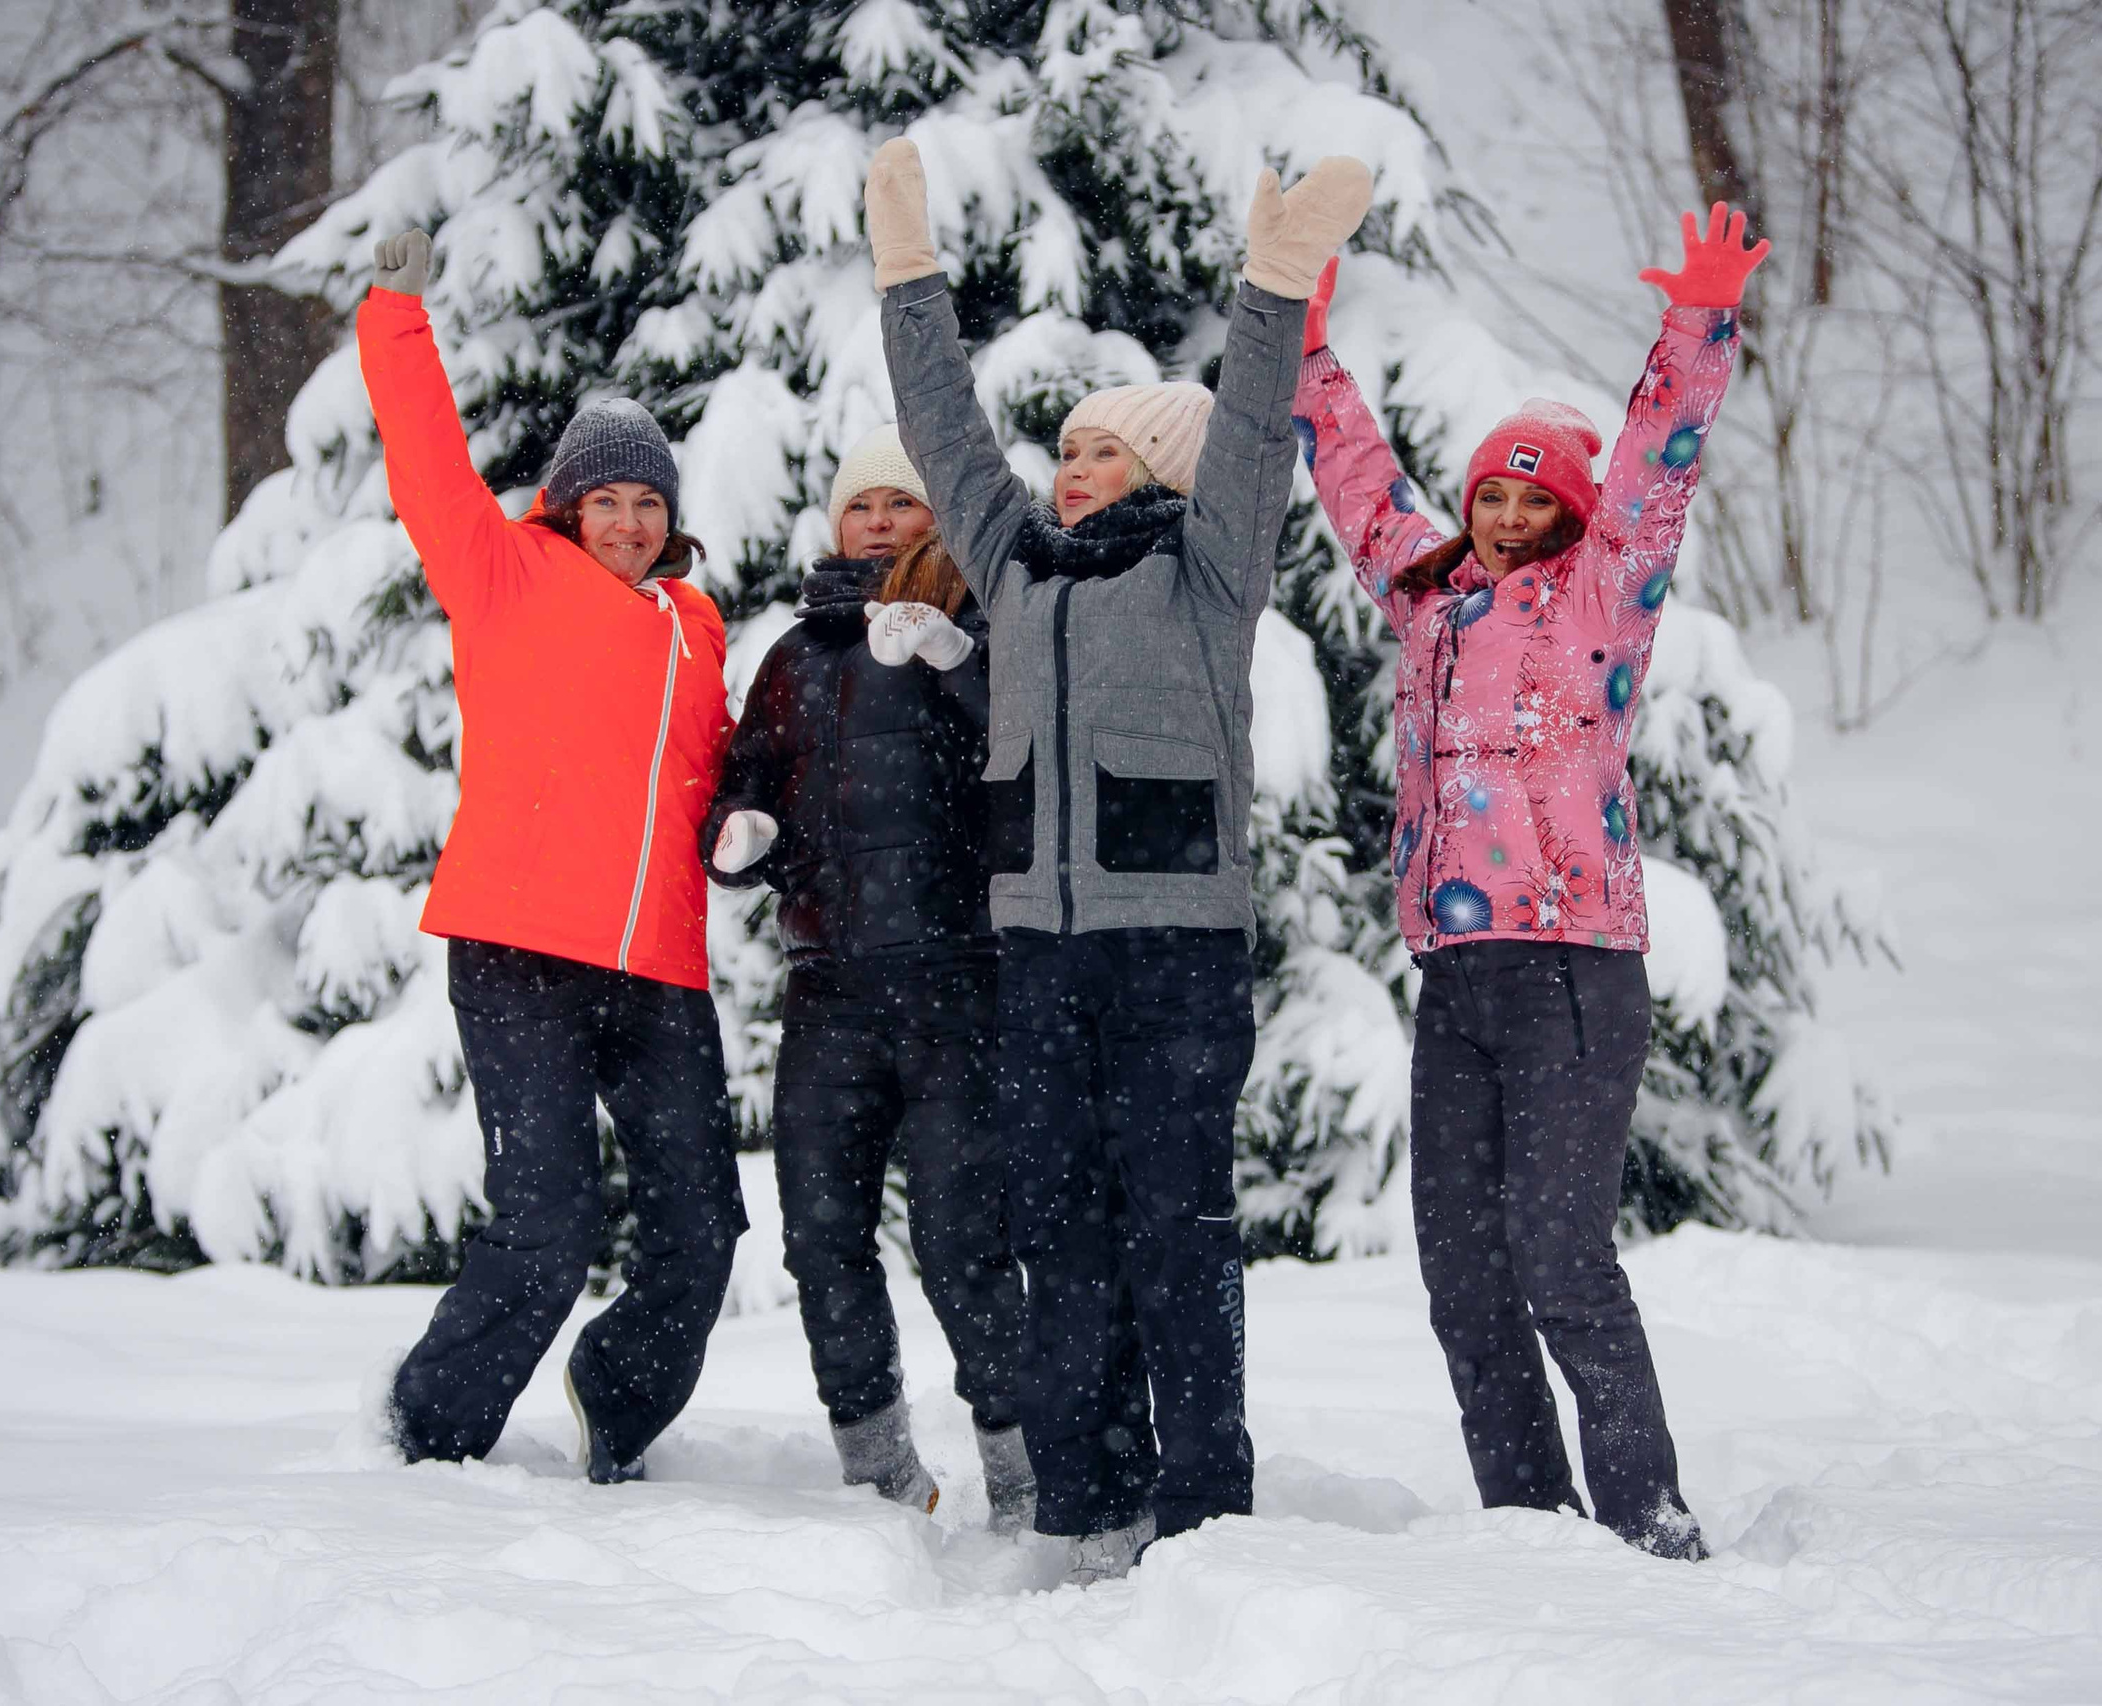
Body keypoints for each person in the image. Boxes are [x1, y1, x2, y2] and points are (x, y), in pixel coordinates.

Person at [863, 137, 1372, 1583]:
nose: (1072, 470)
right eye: (1069, 450)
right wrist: (907, 276)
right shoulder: (1017, 566)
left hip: (1174, 956)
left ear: (1160, 469)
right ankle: (1085, 1502)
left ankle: (1203, 1513)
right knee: (1060, 1234)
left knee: (1176, 1232)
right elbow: (945, 431)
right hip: (1040, 954)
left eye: (1104, 451)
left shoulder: (1208, 570)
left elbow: (1256, 428)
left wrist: (1273, 285)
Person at [1287, 206, 1771, 1559]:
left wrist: (1697, 324)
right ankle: (1529, 1525)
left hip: (1571, 970)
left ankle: (1648, 1519)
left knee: (1560, 1256)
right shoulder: (1429, 598)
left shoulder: (1603, 593)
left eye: (1532, 496)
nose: (1505, 517)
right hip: (1456, 977)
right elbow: (1359, 485)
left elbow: (1660, 461)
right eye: (1490, 495)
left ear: (1569, 510)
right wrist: (1305, 352)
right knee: (1463, 1272)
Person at [358, 227, 745, 1484]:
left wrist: (755, 821)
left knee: (702, 1221)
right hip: (522, 945)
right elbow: (426, 455)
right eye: (607, 500)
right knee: (549, 1220)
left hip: (661, 967)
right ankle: (429, 1432)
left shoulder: (696, 625)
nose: (628, 522)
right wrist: (397, 312)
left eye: (649, 502)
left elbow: (715, 769)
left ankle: (615, 1399)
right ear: (568, 505)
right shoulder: (505, 574)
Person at [702, 425, 1035, 1532]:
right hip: (829, 990)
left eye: (903, 502)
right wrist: (740, 835)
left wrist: (957, 660)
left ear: (939, 518)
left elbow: (1027, 758)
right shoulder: (793, 657)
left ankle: (1023, 1470)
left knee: (963, 1238)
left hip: (959, 981)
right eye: (863, 505)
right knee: (819, 1233)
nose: (881, 522)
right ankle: (878, 1469)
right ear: (837, 523)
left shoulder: (985, 624)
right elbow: (745, 780)